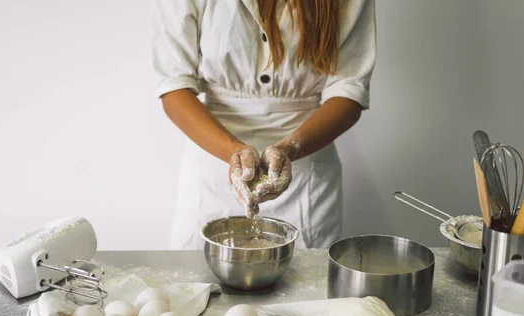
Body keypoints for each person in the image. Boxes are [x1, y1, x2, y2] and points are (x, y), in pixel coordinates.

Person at [151, 0, 376, 249]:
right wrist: (234, 153)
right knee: (199, 284)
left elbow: (349, 90)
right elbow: (174, 86)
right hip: (212, 165)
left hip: (304, 168)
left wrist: (289, 149)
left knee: (305, 281)